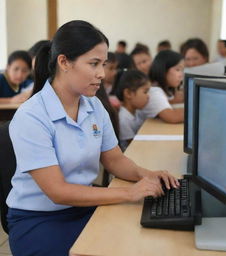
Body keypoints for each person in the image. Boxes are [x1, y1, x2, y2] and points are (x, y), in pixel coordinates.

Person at [6, 20, 179, 256]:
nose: (102, 73)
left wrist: (147, 174)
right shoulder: (32, 116)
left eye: (104, 64)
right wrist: (129, 193)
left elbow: (115, 160)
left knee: (136, 239)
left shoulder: (93, 105)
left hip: (84, 205)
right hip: (39, 219)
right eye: (94, 64)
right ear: (64, 62)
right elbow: (58, 191)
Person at [139, 50, 184, 123]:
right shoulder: (154, 91)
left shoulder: (165, 89)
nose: (181, 75)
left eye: (182, 70)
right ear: (163, 69)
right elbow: (173, 117)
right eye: (178, 69)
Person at [115, 70, 150, 151]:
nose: (148, 96)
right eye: (145, 92)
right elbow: (134, 145)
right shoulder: (123, 119)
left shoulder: (137, 111)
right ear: (128, 93)